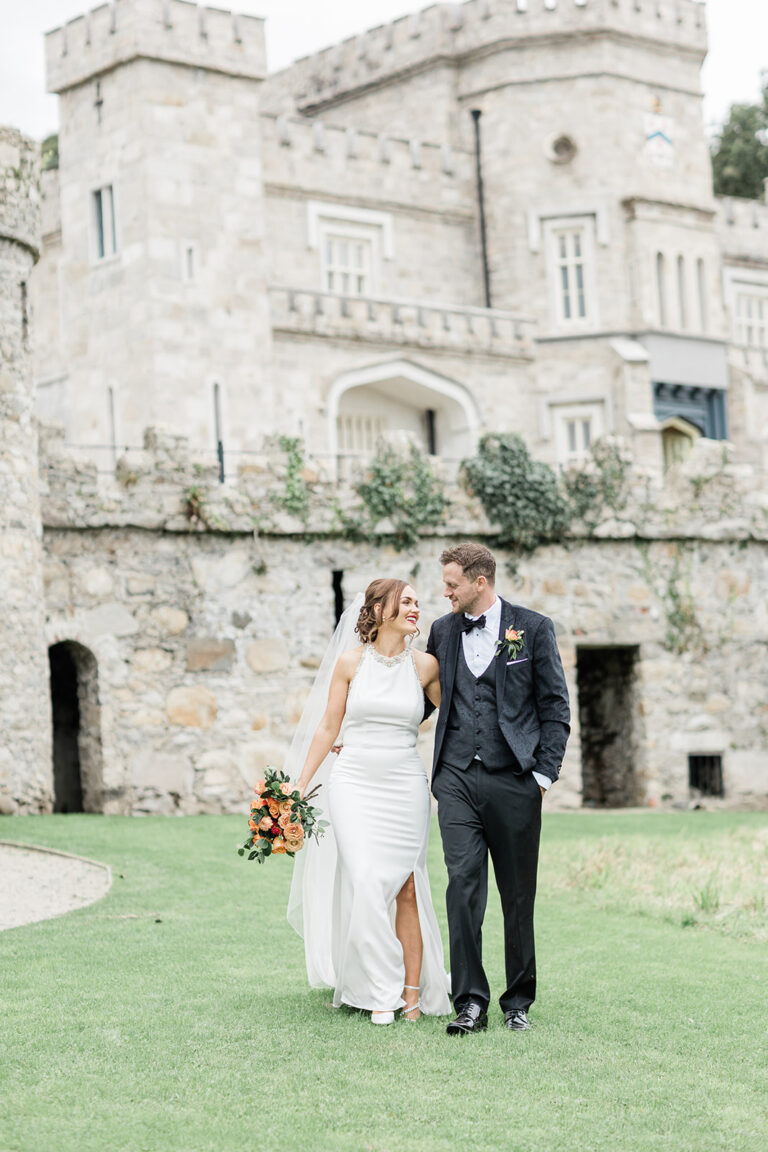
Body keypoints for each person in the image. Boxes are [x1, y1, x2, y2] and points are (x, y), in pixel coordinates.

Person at [288, 579, 451, 1024]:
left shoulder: (425, 667)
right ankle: (381, 990)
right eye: (407, 601)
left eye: (419, 602)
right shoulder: (350, 663)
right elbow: (327, 726)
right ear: (379, 609)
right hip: (354, 782)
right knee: (364, 879)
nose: (417, 608)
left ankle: (412, 995)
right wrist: (299, 785)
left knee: (407, 887)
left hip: (404, 783)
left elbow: (459, 719)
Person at [426, 542, 570, 1035]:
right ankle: (469, 1002)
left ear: (479, 582)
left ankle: (518, 1002)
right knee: (462, 888)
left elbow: (555, 707)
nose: (445, 593)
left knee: (516, 895)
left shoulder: (532, 628)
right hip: (457, 778)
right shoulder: (442, 632)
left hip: (516, 780)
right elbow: (424, 700)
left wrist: (542, 777)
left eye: (451, 584)